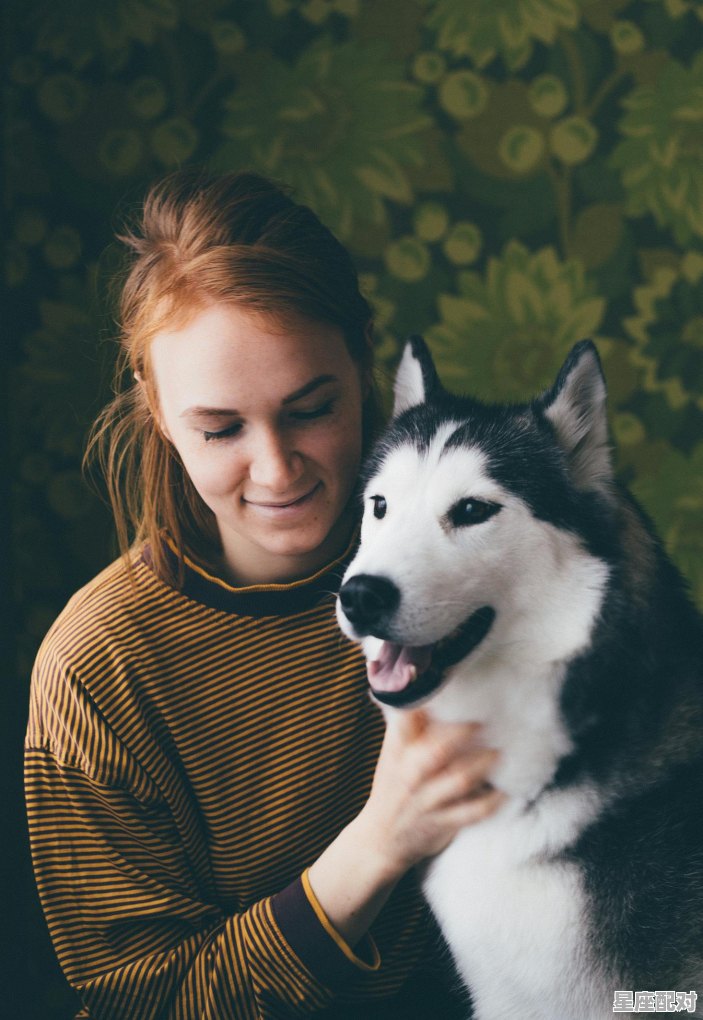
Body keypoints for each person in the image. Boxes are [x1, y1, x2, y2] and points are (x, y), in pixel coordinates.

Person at [24, 168, 503, 1019]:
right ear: (156, 409)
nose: (277, 471)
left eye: (311, 410)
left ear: (360, 362)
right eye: (220, 429)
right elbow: (143, 1001)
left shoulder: (480, 552)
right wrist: (380, 841)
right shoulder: (95, 671)